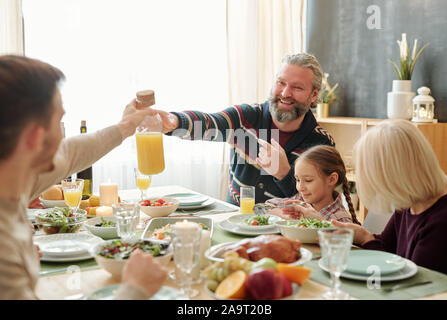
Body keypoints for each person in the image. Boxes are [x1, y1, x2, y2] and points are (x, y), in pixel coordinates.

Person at [0, 55, 167, 299]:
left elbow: (70, 154)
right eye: (60, 122)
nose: (63, 136)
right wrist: (135, 289)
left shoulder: (17, 178)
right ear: (35, 138)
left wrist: (125, 127)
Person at [149, 53, 335, 205]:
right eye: (281, 83)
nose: (285, 93)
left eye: (297, 87)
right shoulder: (246, 118)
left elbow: (320, 208)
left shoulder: (320, 144)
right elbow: (210, 123)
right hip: (233, 227)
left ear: (314, 95)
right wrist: (174, 122)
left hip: (284, 237)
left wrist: (285, 174)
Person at [331, 119, 447, 275]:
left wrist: (366, 240)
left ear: (393, 175)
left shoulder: (442, 222)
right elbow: (388, 248)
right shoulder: (410, 201)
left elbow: (414, 281)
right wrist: (363, 236)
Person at [266, 145, 360, 224]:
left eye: (308, 180)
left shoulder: (341, 220)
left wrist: (316, 221)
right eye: (298, 180)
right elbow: (263, 207)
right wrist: (287, 216)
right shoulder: (300, 202)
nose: (300, 188)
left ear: (331, 179)